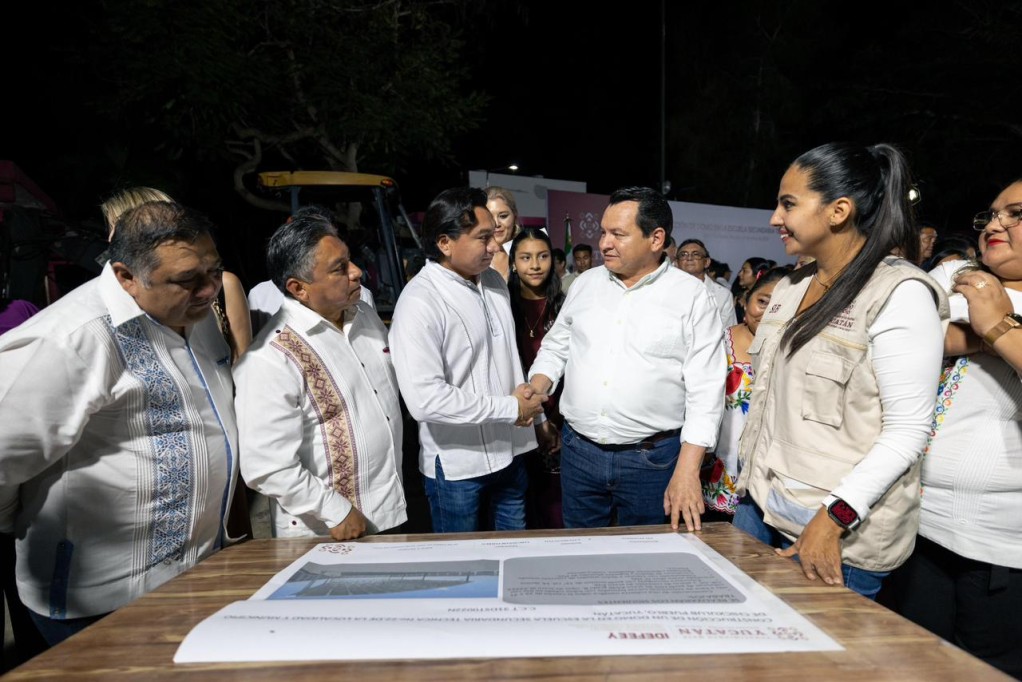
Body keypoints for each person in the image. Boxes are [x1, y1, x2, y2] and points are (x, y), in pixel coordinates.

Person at [0, 201, 239, 645]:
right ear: (127, 276)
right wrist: (29, 521)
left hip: (194, 576)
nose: (209, 289)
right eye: (188, 280)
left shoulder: (194, 315)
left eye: (213, 271)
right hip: (99, 601)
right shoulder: (75, 337)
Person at [732, 142, 948, 600]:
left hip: (830, 532)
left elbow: (908, 430)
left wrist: (834, 518)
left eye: (788, 204)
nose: (775, 218)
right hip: (759, 507)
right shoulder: (791, 286)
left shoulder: (899, 293)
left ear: (839, 211)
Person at [529, 187, 725, 530]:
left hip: (651, 462)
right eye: (603, 232)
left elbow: (706, 390)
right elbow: (557, 345)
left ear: (656, 238)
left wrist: (688, 469)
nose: (604, 243)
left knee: (647, 564)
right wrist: (538, 385)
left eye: (618, 234)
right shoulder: (585, 284)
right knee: (580, 555)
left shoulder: (692, 297)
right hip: (578, 452)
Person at [891, 182, 1022, 677]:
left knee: (982, 669)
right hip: (918, 521)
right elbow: (907, 340)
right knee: (913, 659)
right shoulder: (961, 281)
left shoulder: (980, 299)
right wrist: (989, 331)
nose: (993, 225)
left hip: (999, 541)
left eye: (1016, 214)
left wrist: (996, 327)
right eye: (990, 215)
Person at [235, 209, 407, 541]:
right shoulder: (271, 357)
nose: (357, 273)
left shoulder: (364, 317)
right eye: (339, 269)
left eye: (350, 261)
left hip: (389, 511)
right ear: (299, 288)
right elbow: (264, 465)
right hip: (327, 532)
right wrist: (334, 510)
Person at [390, 187, 546, 533]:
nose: (495, 247)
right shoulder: (419, 302)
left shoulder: (493, 281)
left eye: (494, 235)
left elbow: (506, 358)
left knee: (514, 554)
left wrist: (535, 415)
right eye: (483, 238)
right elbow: (425, 400)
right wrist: (510, 408)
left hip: (511, 452)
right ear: (445, 243)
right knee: (463, 568)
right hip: (459, 467)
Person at [101, 187, 252, 360]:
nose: (207, 290)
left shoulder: (224, 286)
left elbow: (244, 366)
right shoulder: (108, 306)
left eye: (120, 229)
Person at [701, 267, 786, 516]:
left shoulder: (793, 351)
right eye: (763, 302)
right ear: (744, 299)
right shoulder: (718, 343)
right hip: (720, 462)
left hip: (769, 471)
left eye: (781, 306)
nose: (769, 313)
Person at [508, 227, 566, 528]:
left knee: (555, 504)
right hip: (517, 414)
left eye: (542, 256)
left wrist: (554, 421)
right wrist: (535, 419)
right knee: (519, 503)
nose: (534, 265)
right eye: (526, 257)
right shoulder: (502, 304)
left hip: (560, 415)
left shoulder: (565, 304)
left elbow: (572, 367)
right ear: (513, 263)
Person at [675, 238, 737, 330]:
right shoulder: (668, 290)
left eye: (696, 254)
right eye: (683, 255)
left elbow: (729, 332)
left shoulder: (722, 295)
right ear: (676, 263)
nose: (689, 258)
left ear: (706, 262)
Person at [485, 186, 521, 281]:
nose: (496, 224)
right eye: (489, 217)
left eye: (503, 216)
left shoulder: (527, 253)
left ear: (515, 218)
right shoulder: (473, 258)